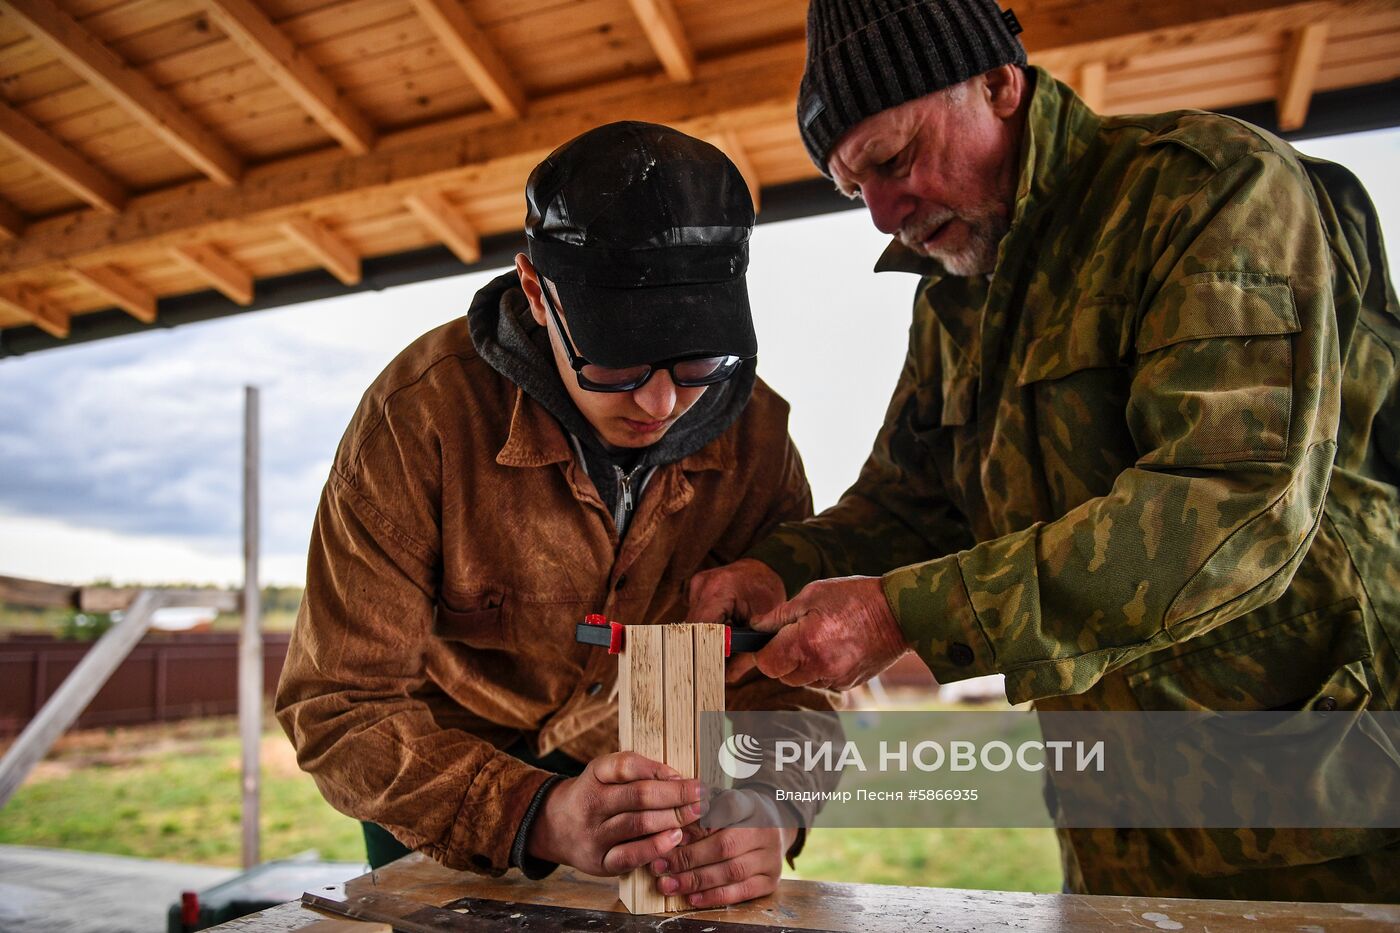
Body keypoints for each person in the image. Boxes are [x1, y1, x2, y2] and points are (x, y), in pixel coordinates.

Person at [689, 0, 1400, 902]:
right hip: (1114, 827)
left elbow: (1232, 506)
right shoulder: (956, 298)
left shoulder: (1206, 193)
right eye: (850, 187)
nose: (878, 215)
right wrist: (778, 568)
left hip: (1329, 816)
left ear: (998, 83)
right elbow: (910, 507)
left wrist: (903, 614)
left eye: (894, 160)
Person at [276, 121, 835, 908]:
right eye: (617, 360)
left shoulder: (762, 444)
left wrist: (771, 808)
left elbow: (799, 690)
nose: (660, 402)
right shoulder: (418, 418)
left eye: (698, 362)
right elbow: (338, 707)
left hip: (643, 779)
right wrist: (532, 810)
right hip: (435, 778)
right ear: (538, 293)